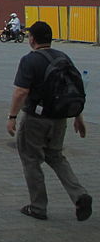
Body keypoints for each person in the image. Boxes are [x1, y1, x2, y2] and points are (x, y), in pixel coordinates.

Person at [7, 21, 92, 221]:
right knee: (56, 157)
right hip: (60, 118)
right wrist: (78, 117)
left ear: (33, 39)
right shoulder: (64, 57)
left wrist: (12, 117)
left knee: (31, 159)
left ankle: (38, 206)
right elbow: (71, 90)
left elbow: (21, 92)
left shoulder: (30, 60)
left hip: (36, 119)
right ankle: (79, 195)